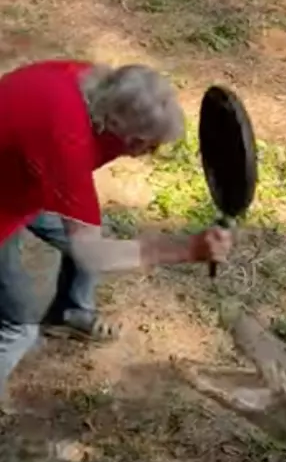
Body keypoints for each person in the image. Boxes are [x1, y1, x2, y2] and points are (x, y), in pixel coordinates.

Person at [0, 60, 232, 412]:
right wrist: (187, 249)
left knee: (92, 228)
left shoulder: (91, 81)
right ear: (126, 135)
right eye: (147, 145)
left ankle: (71, 313)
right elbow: (92, 254)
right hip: (8, 199)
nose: (149, 153)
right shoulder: (67, 143)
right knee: (18, 327)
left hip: (22, 174)